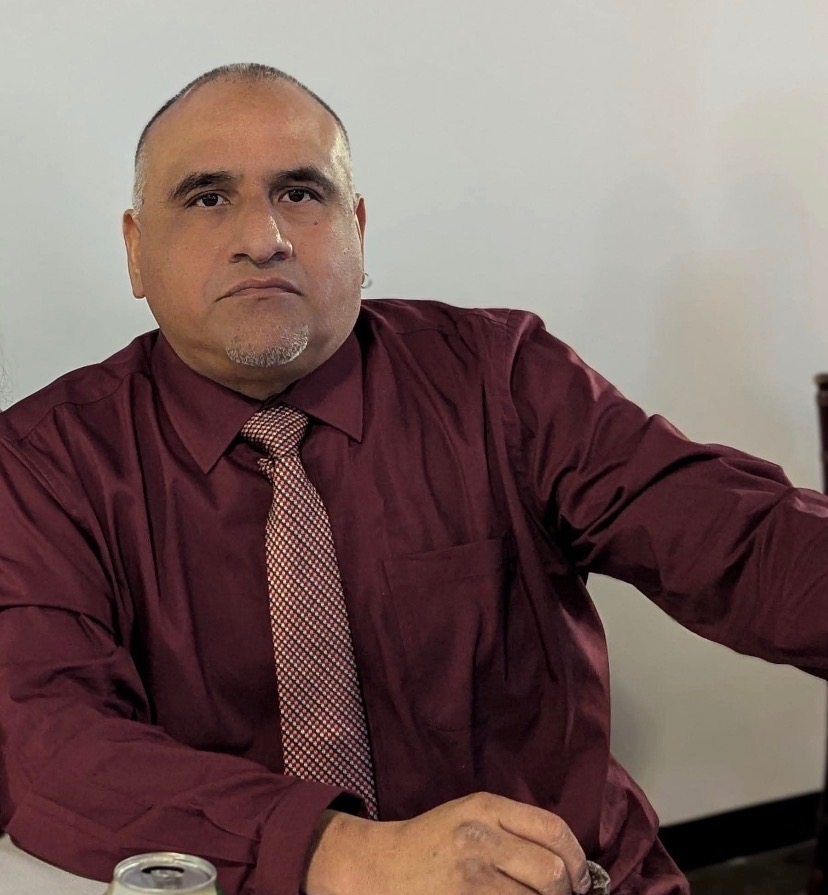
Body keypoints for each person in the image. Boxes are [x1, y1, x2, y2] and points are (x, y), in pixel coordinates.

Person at [1, 63, 827, 895]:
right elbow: (47, 742)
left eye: (301, 192)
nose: (264, 236)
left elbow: (741, 539)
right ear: (136, 250)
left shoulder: (504, 381)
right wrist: (351, 854)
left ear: (357, 228)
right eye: (208, 197)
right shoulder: (45, 465)